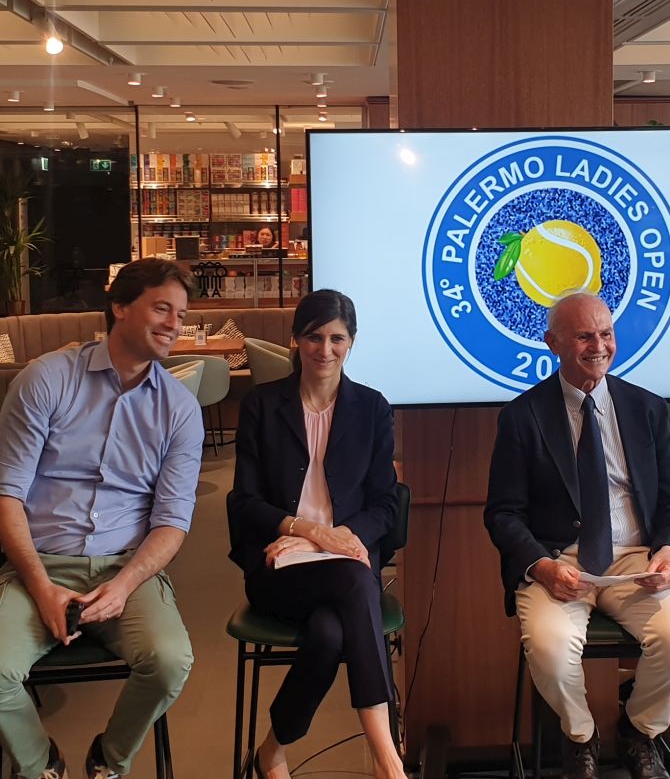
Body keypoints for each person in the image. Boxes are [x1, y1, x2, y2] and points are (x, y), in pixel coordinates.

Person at [484, 292, 670, 779]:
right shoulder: (523, 416)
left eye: (606, 334)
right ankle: (580, 737)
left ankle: (639, 731)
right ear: (553, 343)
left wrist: (669, 552)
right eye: (584, 336)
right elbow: (503, 514)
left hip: (638, 560)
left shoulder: (646, 409)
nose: (599, 347)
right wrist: (542, 566)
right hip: (558, 561)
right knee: (549, 649)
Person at [0, 258, 204, 779]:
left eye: (181, 315)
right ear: (119, 306)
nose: (174, 325)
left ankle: (108, 761)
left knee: (169, 661)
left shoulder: (180, 409)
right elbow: (7, 494)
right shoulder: (47, 379)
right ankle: (41, 763)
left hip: (125, 569)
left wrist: (124, 585)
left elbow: (172, 521)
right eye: (162, 308)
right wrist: (40, 585)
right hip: (38, 565)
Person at [227, 289, 403, 779]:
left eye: (337, 339)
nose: (325, 350)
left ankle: (271, 751)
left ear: (351, 342)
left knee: (329, 634)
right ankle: (389, 761)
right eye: (314, 337)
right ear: (296, 340)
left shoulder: (372, 408)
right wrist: (307, 532)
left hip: (342, 560)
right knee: (355, 579)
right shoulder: (262, 405)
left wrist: (325, 539)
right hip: (278, 567)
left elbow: (386, 505)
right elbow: (243, 503)